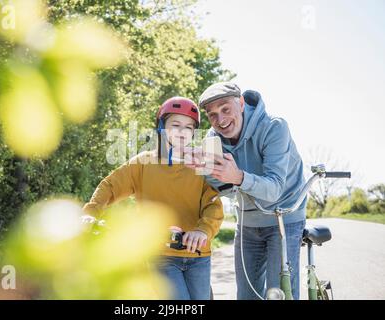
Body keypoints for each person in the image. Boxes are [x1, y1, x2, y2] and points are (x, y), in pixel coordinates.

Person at [82, 97, 224, 300]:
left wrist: (203, 230)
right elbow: (110, 186)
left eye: (188, 127)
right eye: (175, 125)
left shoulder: (200, 165)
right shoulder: (143, 163)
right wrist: (90, 212)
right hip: (160, 254)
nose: (182, 132)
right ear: (161, 127)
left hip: (199, 254)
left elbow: (213, 204)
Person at [186, 81, 306, 300]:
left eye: (225, 109)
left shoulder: (274, 127)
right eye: (212, 115)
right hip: (248, 221)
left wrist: (238, 177)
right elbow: (218, 189)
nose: (220, 120)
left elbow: (274, 189)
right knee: (246, 296)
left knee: (278, 294)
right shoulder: (212, 139)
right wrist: (199, 174)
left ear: (240, 103)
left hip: (284, 217)